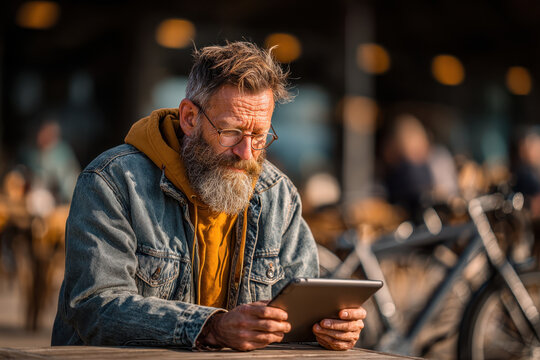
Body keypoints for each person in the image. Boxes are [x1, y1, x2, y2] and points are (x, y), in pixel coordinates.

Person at [52, 41, 366, 351]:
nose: (246, 153)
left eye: (259, 136)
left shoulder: (278, 194)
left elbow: (302, 309)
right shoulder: (113, 182)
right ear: (189, 118)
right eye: (231, 132)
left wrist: (328, 328)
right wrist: (211, 327)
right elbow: (95, 306)